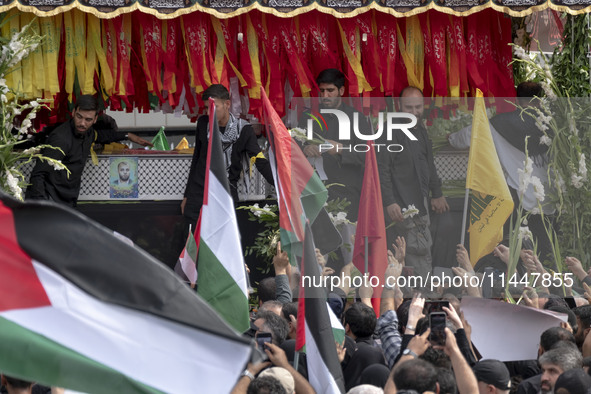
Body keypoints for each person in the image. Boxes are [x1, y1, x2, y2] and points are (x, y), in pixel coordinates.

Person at [448, 82, 554, 262]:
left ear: (518, 100)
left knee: (520, 250)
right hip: (551, 199)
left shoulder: (498, 124)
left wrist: (450, 138)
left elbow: (467, 136)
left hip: (518, 199)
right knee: (548, 250)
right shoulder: (553, 126)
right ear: (540, 100)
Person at [25, 95, 152, 207]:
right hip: (50, 202)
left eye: (88, 120)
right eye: (79, 117)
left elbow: (103, 136)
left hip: (68, 201)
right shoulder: (61, 139)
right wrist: (41, 208)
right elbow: (38, 174)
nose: (82, 123)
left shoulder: (89, 133)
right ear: (73, 112)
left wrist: (128, 135)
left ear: (95, 119)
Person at [378, 86, 449, 277]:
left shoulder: (420, 129)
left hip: (420, 201)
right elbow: (381, 169)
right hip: (399, 203)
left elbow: (428, 164)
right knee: (408, 251)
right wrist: (389, 201)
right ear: (399, 106)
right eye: (409, 108)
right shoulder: (389, 130)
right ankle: (413, 297)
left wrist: (437, 193)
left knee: (420, 249)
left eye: (418, 107)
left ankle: (418, 297)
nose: (415, 112)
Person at [181, 84, 274, 228]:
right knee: (192, 244)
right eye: (206, 108)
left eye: (213, 107)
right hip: (199, 193)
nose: (208, 112)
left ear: (227, 104)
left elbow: (260, 161)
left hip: (226, 193)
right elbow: (197, 159)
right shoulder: (203, 123)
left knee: (223, 247)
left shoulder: (244, 130)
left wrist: (282, 188)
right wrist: (187, 195)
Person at [299, 68, 369, 222]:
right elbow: (295, 144)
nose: (325, 96)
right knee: (319, 244)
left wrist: (341, 149)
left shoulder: (357, 118)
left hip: (348, 193)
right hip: (315, 192)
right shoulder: (309, 117)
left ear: (341, 90)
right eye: (322, 91)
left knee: (347, 243)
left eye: (330, 90)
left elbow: (368, 155)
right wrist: (305, 148)